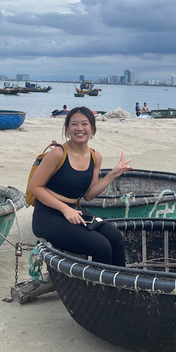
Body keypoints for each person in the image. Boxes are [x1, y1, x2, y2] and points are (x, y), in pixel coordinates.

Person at [29, 107, 132, 266]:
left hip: (74, 211)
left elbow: (89, 195)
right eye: (74, 124)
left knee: (116, 238)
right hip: (48, 214)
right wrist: (65, 209)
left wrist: (112, 174)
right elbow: (34, 187)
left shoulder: (95, 156)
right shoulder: (58, 153)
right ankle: (97, 290)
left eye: (85, 124)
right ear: (67, 129)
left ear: (92, 129)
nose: (79, 128)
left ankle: (119, 287)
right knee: (102, 247)